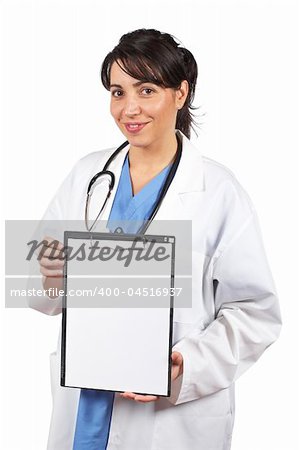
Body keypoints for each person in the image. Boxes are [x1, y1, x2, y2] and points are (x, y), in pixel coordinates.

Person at [29, 28, 281, 450]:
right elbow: (40, 280)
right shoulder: (88, 175)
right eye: (117, 91)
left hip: (166, 423)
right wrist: (49, 270)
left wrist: (189, 365)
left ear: (180, 94)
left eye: (147, 90)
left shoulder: (219, 191)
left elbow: (256, 312)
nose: (129, 108)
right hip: (84, 405)